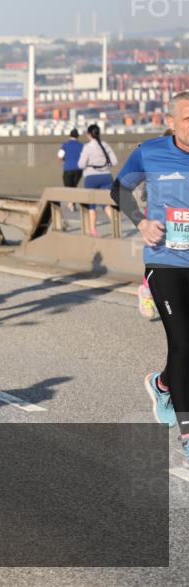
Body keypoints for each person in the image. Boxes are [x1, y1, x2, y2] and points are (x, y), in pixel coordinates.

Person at [112, 91, 189, 466]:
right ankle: (187, 435)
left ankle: (163, 384)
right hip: (165, 260)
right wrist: (141, 222)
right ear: (171, 122)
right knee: (184, 342)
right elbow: (120, 188)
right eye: (187, 118)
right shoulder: (150, 152)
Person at [78, 123, 118, 237]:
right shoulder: (105, 145)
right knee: (106, 203)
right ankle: (116, 227)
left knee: (92, 206)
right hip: (106, 177)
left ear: (89, 134)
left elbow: (81, 165)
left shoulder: (87, 147)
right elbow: (114, 162)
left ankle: (93, 231)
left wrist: (92, 165)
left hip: (91, 178)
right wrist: (104, 166)